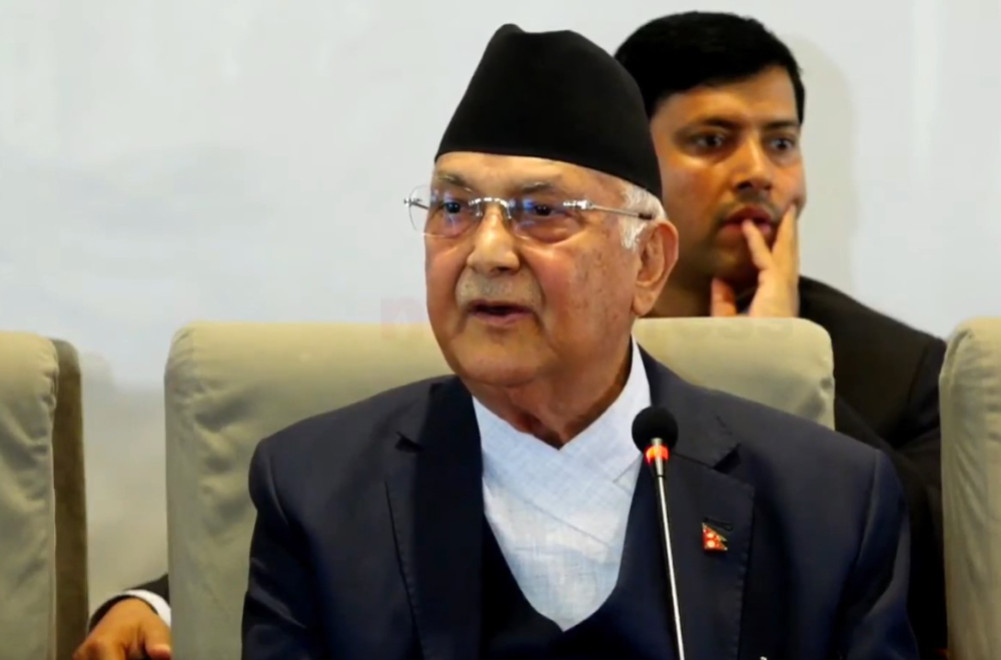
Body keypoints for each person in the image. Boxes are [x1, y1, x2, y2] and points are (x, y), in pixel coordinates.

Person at [77, 22, 918, 660]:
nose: (485, 252)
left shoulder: (829, 501)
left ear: (645, 263)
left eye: (541, 212)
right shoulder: (315, 489)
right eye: (452, 208)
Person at [614, 12, 947, 657]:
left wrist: (781, 370)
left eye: (782, 143)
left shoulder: (901, 371)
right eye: (713, 140)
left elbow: (936, 586)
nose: (758, 172)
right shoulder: (572, 347)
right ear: (628, 163)